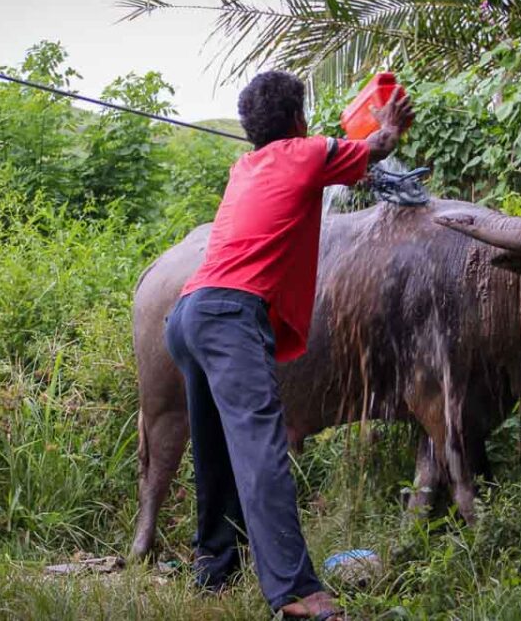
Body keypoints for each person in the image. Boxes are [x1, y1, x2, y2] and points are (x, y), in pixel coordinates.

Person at [164, 70, 414, 619]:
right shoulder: (305, 153)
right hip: (231, 313)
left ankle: (214, 566)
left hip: (187, 316)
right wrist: (389, 122)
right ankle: (297, 593)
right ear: (299, 120)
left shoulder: (244, 166)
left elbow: (325, 172)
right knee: (262, 452)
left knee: (216, 450)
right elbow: (377, 145)